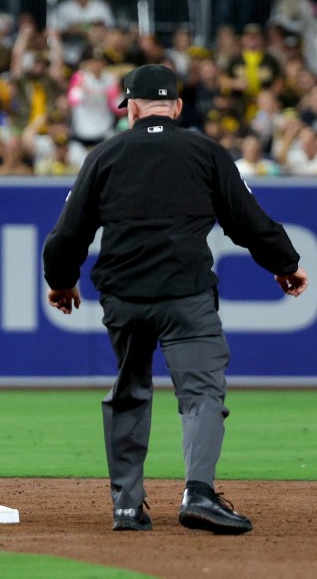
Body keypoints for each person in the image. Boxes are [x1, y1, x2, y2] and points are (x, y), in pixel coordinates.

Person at [42, 64, 308, 535]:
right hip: (187, 295)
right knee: (201, 392)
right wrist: (284, 264)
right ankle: (199, 494)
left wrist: (62, 282)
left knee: (129, 392)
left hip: (124, 297)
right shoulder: (206, 152)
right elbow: (248, 219)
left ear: (133, 108)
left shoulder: (105, 155)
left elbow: (67, 235)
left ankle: (127, 504)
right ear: (178, 107)